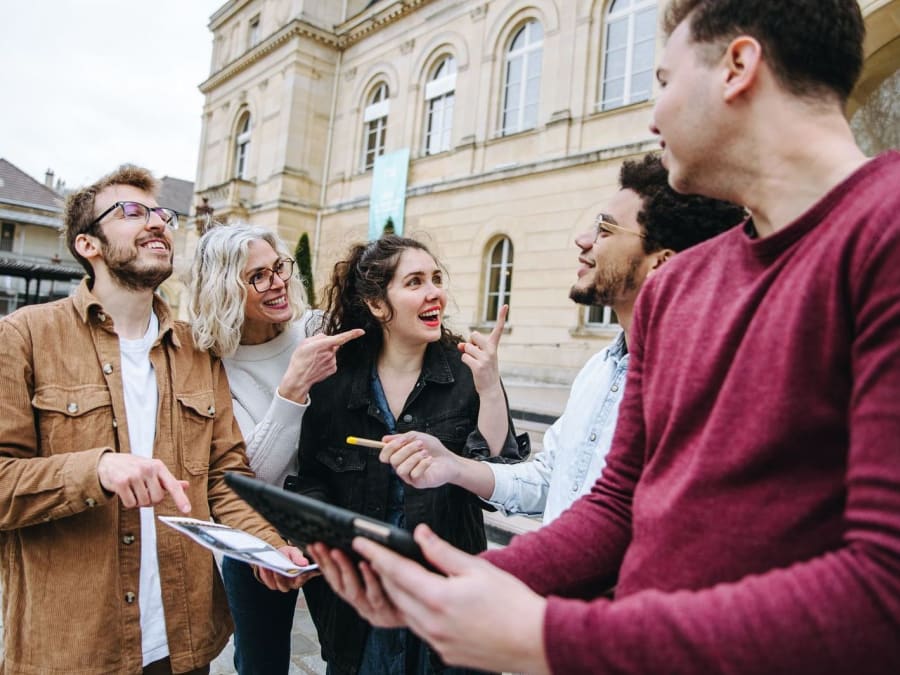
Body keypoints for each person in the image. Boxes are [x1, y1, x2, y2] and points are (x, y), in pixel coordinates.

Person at [309, 1, 900, 673]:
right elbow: (617, 507)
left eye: (664, 80)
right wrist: (446, 586)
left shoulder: (881, 235)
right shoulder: (679, 288)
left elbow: (882, 588)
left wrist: (548, 637)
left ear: (738, 67)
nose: (652, 116)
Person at [0, 166, 312, 675]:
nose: (157, 222)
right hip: (72, 649)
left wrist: (269, 549)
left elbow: (225, 478)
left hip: (183, 645)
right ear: (88, 244)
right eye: (131, 212)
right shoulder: (23, 337)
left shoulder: (196, 351)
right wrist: (97, 470)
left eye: (162, 214)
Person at [380, 153, 745, 525]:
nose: (582, 240)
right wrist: (453, 466)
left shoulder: (708, 391)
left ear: (661, 263)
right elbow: (549, 480)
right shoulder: (600, 369)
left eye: (605, 230)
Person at [294, 235, 527, 674]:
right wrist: (324, 551)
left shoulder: (466, 373)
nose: (434, 292)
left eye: (436, 278)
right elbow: (311, 481)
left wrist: (490, 388)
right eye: (415, 282)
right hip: (361, 607)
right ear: (377, 304)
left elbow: (498, 475)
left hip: (448, 603)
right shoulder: (336, 381)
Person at [187, 224, 364, 675]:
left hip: (329, 520)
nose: (278, 282)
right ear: (224, 290)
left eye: (279, 267)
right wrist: (292, 388)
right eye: (258, 276)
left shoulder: (316, 329)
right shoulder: (211, 365)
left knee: (349, 655)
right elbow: (247, 479)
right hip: (256, 536)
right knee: (260, 662)